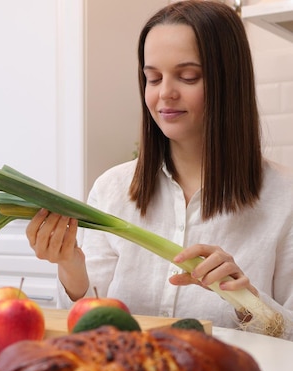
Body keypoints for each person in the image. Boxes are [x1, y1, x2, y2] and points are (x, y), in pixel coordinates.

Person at [25, 0, 293, 340]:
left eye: (188, 76)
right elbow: (91, 325)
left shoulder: (285, 198)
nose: (165, 93)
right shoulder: (113, 189)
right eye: (153, 78)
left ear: (229, 81)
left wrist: (247, 300)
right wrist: (71, 267)